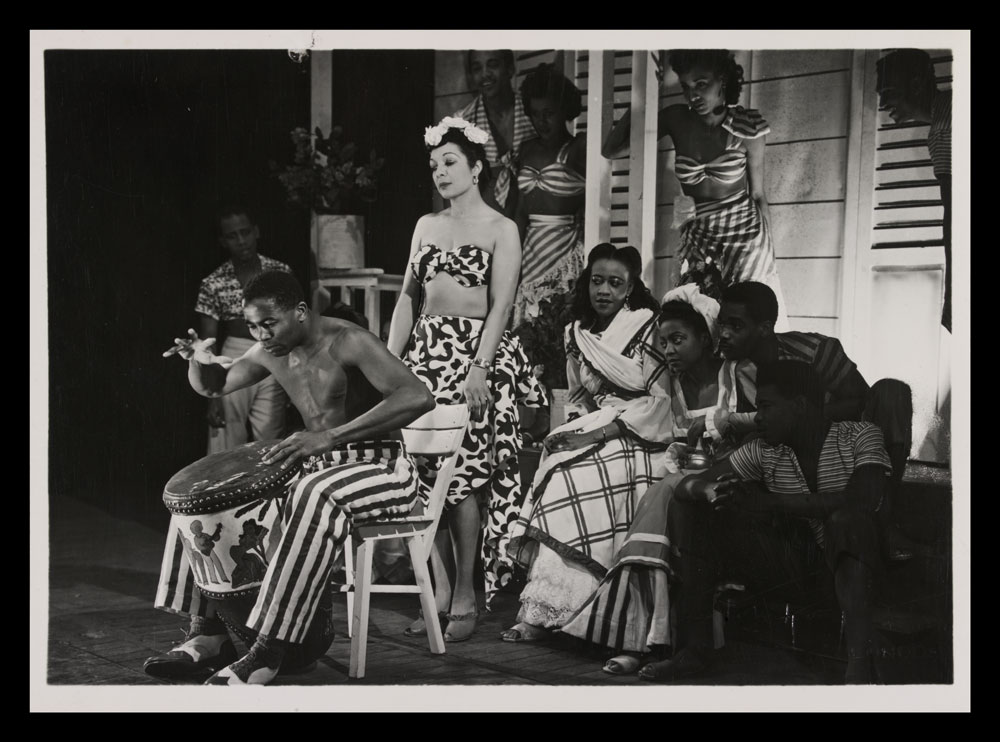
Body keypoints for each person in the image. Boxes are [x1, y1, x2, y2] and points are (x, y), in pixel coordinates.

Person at [149, 270, 435, 684]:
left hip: (381, 468)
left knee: (312, 491)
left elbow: (417, 396)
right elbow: (215, 386)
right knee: (205, 495)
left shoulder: (348, 340)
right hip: (321, 471)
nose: (260, 335)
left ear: (300, 312)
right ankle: (208, 633)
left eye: (269, 323)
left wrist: (330, 436)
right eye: (252, 326)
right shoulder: (271, 350)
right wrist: (197, 359)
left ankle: (269, 649)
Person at [386, 116, 545, 641]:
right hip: (425, 356)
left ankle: (465, 596)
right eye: (434, 165)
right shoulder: (425, 226)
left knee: (461, 478)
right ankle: (435, 590)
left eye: (450, 162)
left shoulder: (502, 228)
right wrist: (391, 367)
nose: (440, 172)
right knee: (419, 476)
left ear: (476, 168)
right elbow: (407, 300)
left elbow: (502, 304)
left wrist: (479, 368)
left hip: (475, 357)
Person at [640, 360, 892, 684]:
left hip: (859, 571)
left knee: (847, 521)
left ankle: (859, 665)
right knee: (688, 507)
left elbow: (862, 499)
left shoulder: (859, 435)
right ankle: (696, 649)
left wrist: (769, 503)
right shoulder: (765, 449)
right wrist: (714, 491)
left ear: (800, 405)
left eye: (767, 406)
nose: (758, 418)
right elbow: (690, 485)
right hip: (801, 570)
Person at [502, 244, 670, 643]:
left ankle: (584, 611)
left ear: (630, 288)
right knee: (558, 460)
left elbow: (661, 402)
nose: (604, 291)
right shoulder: (576, 333)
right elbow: (578, 398)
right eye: (597, 281)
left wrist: (596, 434)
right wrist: (574, 431)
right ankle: (544, 611)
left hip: (644, 435)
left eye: (615, 283)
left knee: (571, 476)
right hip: (599, 425)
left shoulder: (648, 326)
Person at [558, 284, 726, 672]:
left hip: (729, 478)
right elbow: (669, 435)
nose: (668, 351)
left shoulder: (733, 374)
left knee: (659, 498)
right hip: (685, 476)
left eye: (678, 340)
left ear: (705, 338)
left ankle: (648, 644)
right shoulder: (673, 385)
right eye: (663, 342)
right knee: (654, 500)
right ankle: (639, 640)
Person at [602, 49, 790, 331]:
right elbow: (612, 149)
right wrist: (643, 98)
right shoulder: (676, 118)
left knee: (745, 324)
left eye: (702, 85)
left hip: (745, 238)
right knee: (697, 322)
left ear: (723, 80)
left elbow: (758, 195)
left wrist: (769, 255)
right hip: (700, 234)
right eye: (686, 87)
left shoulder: (746, 127)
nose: (693, 96)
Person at [698, 280, 870, 449]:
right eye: (721, 324)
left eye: (736, 326)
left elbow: (863, 402)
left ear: (764, 328)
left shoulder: (816, 350)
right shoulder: (738, 368)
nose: (724, 334)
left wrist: (798, 417)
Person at [195, 202, 292, 455]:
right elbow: (208, 341)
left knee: (272, 441)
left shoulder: (279, 272)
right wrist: (213, 395)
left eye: (245, 232)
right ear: (223, 241)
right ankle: (224, 494)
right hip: (234, 356)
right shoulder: (214, 282)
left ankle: (272, 495)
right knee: (226, 441)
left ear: (256, 231)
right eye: (232, 235)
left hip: (274, 354)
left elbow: (294, 325)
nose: (241, 240)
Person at [876, 49, 952, 333]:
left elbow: (955, 217)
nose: (882, 103)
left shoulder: (944, 129)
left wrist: (953, 298)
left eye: (888, 91)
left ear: (917, 84)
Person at [513, 61, 587, 325]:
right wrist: (512, 257)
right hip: (530, 249)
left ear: (565, 110)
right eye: (535, 113)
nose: (541, 121)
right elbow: (521, 211)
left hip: (564, 250)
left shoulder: (579, 148)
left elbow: (592, 207)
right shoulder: (527, 149)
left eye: (549, 113)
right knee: (528, 326)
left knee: (557, 324)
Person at [453, 50, 535, 219]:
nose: (485, 74)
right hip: (486, 223)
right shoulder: (462, 122)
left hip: (533, 222)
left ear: (510, 69)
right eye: (477, 68)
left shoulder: (533, 113)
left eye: (493, 65)